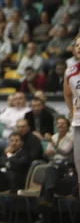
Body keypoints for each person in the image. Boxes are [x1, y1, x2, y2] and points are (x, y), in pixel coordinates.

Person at [63, 36, 80, 198]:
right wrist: (71, 111)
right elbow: (67, 94)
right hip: (78, 122)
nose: (79, 48)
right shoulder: (70, 71)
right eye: (77, 45)